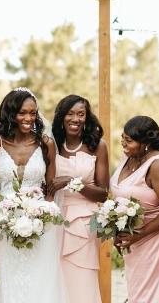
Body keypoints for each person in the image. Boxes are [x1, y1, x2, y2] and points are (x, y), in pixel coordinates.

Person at [0, 87, 69, 303]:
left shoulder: (45, 144)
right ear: (10, 113)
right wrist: (5, 216)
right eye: (22, 113)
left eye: (33, 113)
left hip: (40, 224)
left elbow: (50, 190)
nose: (29, 118)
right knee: (11, 278)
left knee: (40, 280)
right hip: (5, 223)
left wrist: (42, 215)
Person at [109, 115, 159, 303]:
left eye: (129, 141)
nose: (123, 144)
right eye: (123, 138)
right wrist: (117, 230)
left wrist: (140, 233)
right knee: (139, 292)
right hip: (136, 238)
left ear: (146, 143)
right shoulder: (129, 158)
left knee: (155, 294)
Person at [46, 95, 110, 303]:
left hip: (84, 220)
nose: (76, 119)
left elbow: (103, 192)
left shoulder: (97, 146)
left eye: (81, 114)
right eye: (70, 114)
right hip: (55, 218)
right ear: (62, 117)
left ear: (86, 118)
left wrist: (74, 182)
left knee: (82, 279)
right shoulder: (51, 144)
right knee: (55, 278)